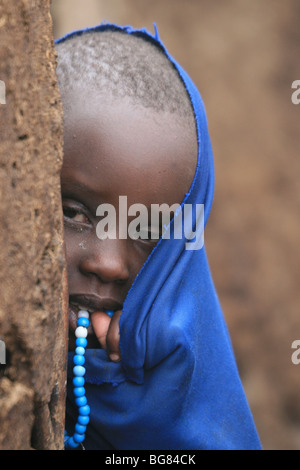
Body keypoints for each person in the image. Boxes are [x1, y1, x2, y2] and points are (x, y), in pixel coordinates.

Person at [55, 23, 261, 450]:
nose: (108, 264)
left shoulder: (190, 398)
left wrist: (144, 414)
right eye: (74, 213)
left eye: (148, 230)